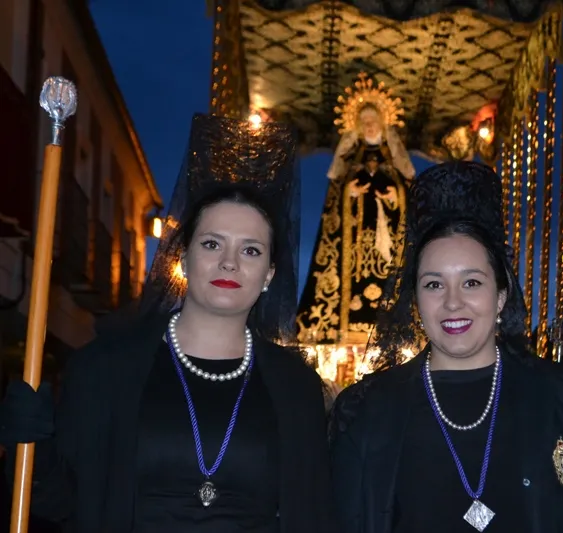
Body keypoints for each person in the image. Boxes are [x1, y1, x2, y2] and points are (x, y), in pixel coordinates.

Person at [0, 114, 336, 532]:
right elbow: (59, 501)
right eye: (211, 244)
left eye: (250, 250)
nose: (229, 262)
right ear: (184, 259)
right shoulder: (105, 368)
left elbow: (313, 514)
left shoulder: (296, 387)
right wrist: (30, 446)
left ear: (269, 275)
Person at [330, 162, 563, 532]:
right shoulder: (366, 408)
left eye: (472, 283)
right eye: (434, 285)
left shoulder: (557, 393)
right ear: (415, 300)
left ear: (501, 295)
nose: (453, 302)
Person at [296, 72, 415, 352]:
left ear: (383, 122)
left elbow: (407, 194)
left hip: (387, 245)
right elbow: (335, 198)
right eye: (365, 121)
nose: (370, 126)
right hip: (354, 248)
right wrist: (350, 192)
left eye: (374, 120)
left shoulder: (393, 159)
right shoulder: (350, 158)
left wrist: (394, 196)